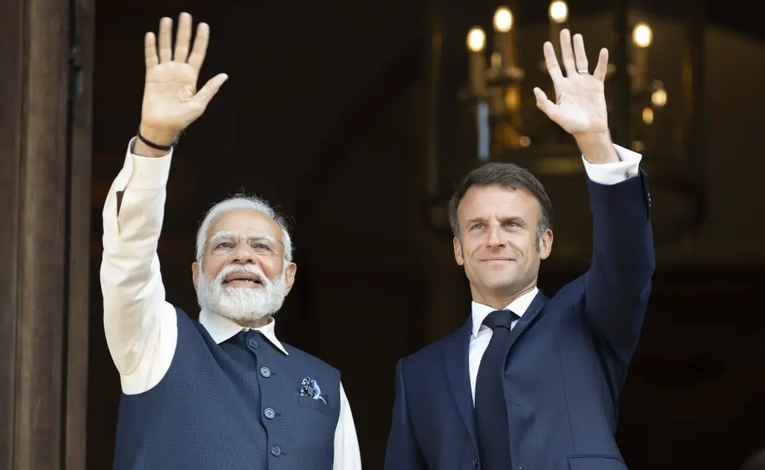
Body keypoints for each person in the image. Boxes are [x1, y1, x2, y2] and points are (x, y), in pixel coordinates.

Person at [384, 29, 655, 470]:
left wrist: (596, 143)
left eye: (512, 225)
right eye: (477, 227)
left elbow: (627, 260)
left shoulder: (589, 320)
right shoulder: (417, 374)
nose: (494, 239)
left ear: (544, 242)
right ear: (458, 249)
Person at [100, 13, 361, 470]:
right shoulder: (154, 340)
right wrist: (155, 141)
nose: (243, 255)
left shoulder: (326, 384)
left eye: (262, 247)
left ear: (289, 276)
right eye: (223, 246)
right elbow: (128, 256)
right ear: (196, 272)